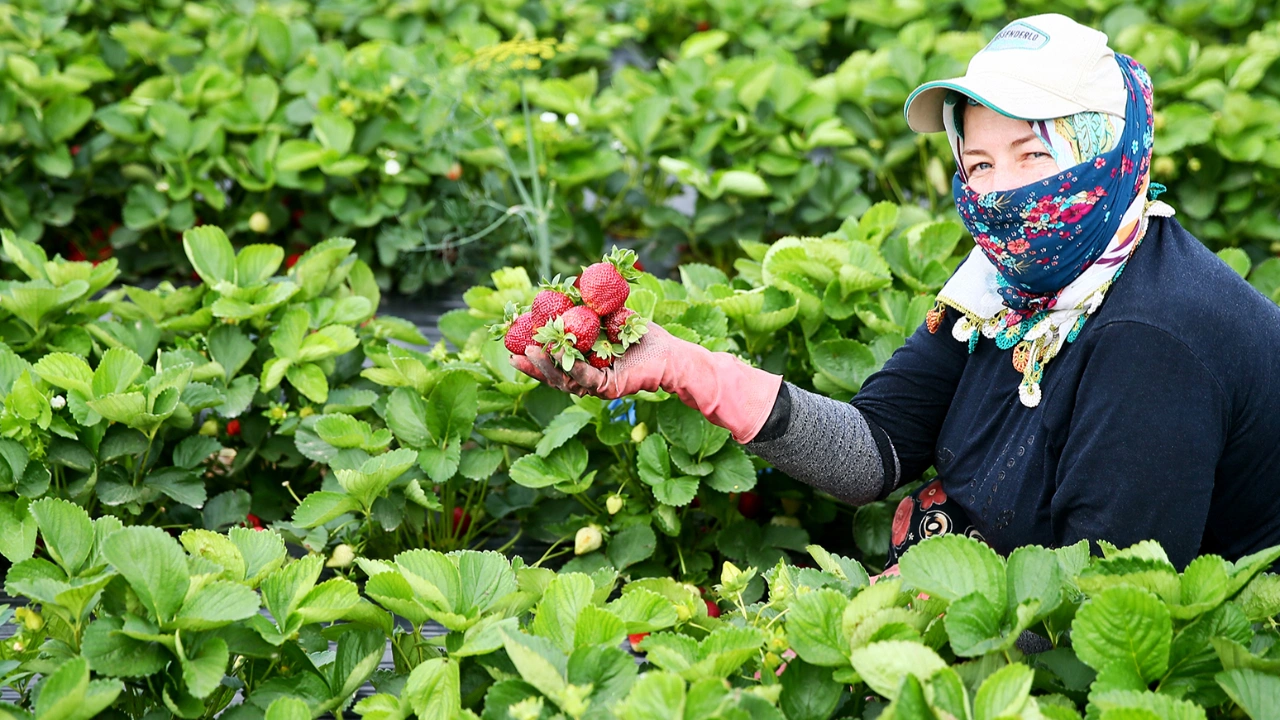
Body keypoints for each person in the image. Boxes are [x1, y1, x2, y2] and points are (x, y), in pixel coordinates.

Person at [512, 14, 1280, 572]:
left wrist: (893, 628)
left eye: (1031, 156)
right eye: (978, 164)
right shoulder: (1010, 286)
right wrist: (680, 364)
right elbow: (872, 451)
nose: (1002, 194)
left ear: (1112, 153)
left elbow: (1102, 603)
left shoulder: (1155, 338)